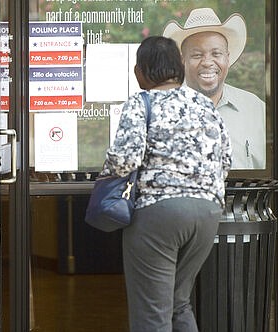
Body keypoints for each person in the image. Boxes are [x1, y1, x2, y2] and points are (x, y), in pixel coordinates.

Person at [101, 36, 232, 331]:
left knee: (152, 314)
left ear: (141, 72)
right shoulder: (206, 105)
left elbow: (124, 160)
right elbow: (225, 161)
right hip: (208, 214)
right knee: (178, 303)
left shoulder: (141, 103)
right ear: (180, 68)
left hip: (159, 216)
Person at [163, 7, 265, 170]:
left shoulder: (256, 109)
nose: (207, 62)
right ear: (182, 60)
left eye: (216, 54)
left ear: (227, 58)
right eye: (197, 55)